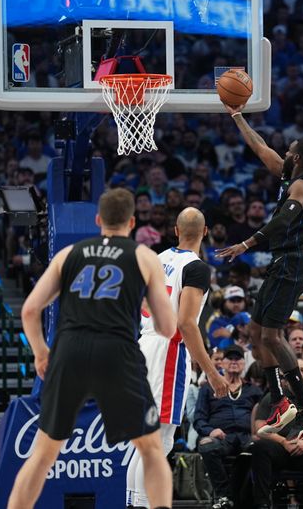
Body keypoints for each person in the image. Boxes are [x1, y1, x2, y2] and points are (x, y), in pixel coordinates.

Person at [7, 189, 178, 509]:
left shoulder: (68, 254)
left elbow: (30, 311)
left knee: (43, 455)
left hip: (70, 349)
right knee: (152, 450)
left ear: (98, 220)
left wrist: (41, 352)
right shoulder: (144, 256)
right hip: (118, 351)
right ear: (131, 221)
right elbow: (167, 327)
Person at [218, 103, 303, 439]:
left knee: (272, 336)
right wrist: (236, 115)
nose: (284, 152)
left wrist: (247, 244)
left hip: (293, 262)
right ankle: (280, 400)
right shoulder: (289, 175)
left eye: (289, 150)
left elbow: (282, 222)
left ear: (297, 158)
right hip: (283, 263)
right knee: (254, 330)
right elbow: (259, 146)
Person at [126, 208, 230, 508]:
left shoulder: (157, 259)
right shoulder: (196, 267)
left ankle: (134, 503)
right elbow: (186, 323)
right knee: (158, 443)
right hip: (168, 352)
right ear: (205, 231)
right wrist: (211, 371)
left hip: (144, 345)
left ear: (175, 230)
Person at [250, 358, 303, 509]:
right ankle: (262, 503)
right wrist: (283, 442)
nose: (299, 375)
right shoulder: (272, 397)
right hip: (279, 450)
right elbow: (259, 428)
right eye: (294, 371)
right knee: (260, 447)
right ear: (285, 377)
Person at [193, 345, 262, 509]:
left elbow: (265, 414)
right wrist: (211, 431)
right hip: (222, 437)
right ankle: (225, 495)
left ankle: (246, 498)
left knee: (260, 448)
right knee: (207, 446)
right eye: (229, 358)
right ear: (221, 363)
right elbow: (198, 419)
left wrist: (259, 432)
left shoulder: (254, 390)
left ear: (244, 363)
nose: (234, 361)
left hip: (248, 436)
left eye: (237, 358)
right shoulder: (208, 388)